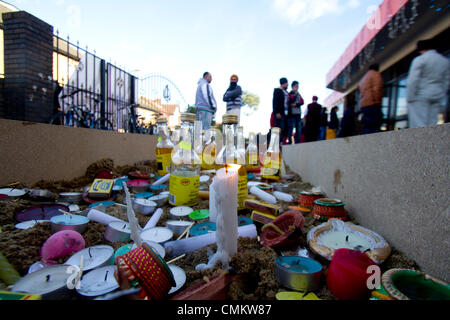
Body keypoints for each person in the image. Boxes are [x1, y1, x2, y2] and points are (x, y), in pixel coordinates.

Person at [406, 39, 450, 128]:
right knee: (433, 123)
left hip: (420, 95)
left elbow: (413, 79)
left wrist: (410, 96)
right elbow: (446, 80)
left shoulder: (420, 59)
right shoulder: (444, 61)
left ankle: (419, 142)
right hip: (437, 94)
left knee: (419, 124)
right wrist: (442, 93)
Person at [359, 63, 384, 134]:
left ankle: (366, 143)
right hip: (373, 104)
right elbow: (377, 89)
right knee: (374, 128)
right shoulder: (376, 74)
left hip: (364, 105)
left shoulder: (364, 78)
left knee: (367, 127)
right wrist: (377, 102)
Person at [272, 78, 289, 142]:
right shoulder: (277, 91)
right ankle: (277, 142)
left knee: (285, 128)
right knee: (279, 127)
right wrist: (277, 112)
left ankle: (282, 141)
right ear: (283, 83)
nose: (287, 85)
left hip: (286, 112)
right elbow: (275, 102)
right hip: (280, 112)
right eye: (286, 83)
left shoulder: (286, 92)